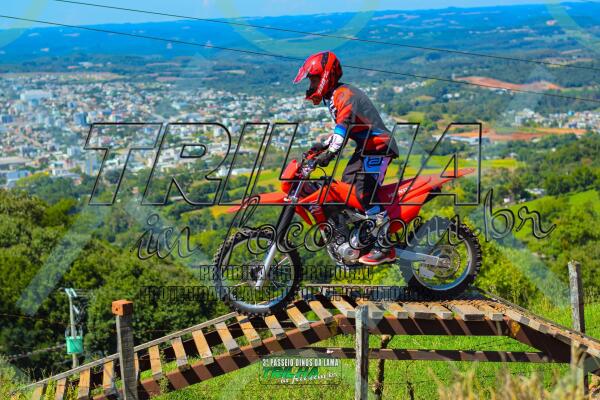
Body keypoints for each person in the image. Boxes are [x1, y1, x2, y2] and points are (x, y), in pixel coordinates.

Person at [293, 50, 399, 265]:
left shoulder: (344, 95)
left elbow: (343, 128)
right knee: (345, 190)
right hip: (366, 148)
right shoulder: (335, 96)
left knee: (363, 191)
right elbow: (342, 130)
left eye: (314, 79)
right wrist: (322, 147)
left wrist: (329, 153)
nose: (311, 85)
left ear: (326, 76)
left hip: (379, 147)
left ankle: (384, 246)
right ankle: (363, 236)